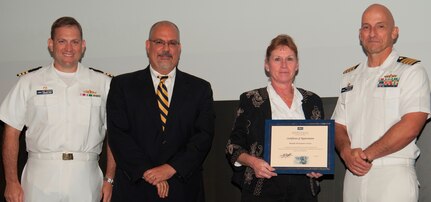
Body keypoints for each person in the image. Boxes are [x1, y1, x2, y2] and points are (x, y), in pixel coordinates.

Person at [0, 16, 115, 202]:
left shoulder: (103, 84)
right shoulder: (29, 82)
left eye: (74, 42)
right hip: (40, 175)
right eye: (62, 41)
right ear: (51, 44)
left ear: (83, 45)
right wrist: (11, 181)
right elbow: (11, 132)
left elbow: (115, 135)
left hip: (85, 175)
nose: (69, 48)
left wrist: (110, 179)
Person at [106, 20, 215, 201]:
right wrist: (147, 172)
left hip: (183, 189)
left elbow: (203, 136)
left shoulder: (200, 89)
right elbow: (118, 136)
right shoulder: (123, 86)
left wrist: (170, 168)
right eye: (159, 42)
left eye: (172, 43)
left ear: (179, 49)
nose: (166, 49)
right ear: (148, 46)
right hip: (135, 189)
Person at [332, 4, 431, 202]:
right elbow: (338, 125)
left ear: (394, 32)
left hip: (392, 174)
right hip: (353, 176)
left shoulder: (411, 71)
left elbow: (412, 125)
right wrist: (345, 152)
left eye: (380, 26)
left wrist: (367, 155)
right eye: (366, 27)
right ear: (360, 34)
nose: (372, 33)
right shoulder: (349, 77)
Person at [226, 34, 324, 202]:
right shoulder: (251, 100)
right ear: (267, 65)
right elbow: (232, 147)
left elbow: (320, 148)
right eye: (277, 59)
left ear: (297, 65)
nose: (284, 65)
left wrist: (318, 166)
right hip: (262, 189)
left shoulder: (312, 101)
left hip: (303, 192)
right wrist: (253, 162)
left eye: (290, 59)